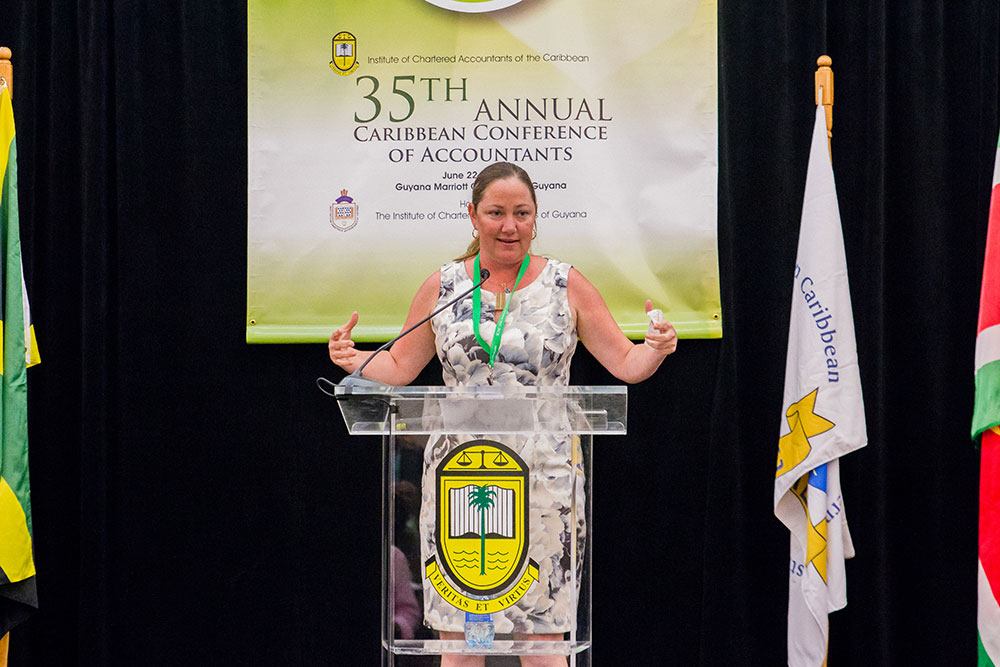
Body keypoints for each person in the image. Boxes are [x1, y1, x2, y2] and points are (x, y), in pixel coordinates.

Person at [329, 162, 677, 666]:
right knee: (461, 643)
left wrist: (656, 349)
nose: (509, 226)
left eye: (521, 213)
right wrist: (354, 359)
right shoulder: (445, 285)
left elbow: (627, 363)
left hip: (545, 486)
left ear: (536, 218)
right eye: (495, 213)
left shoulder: (565, 284)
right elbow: (400, 366)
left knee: (542, 643)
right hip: (461, 482)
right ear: (473, 216)